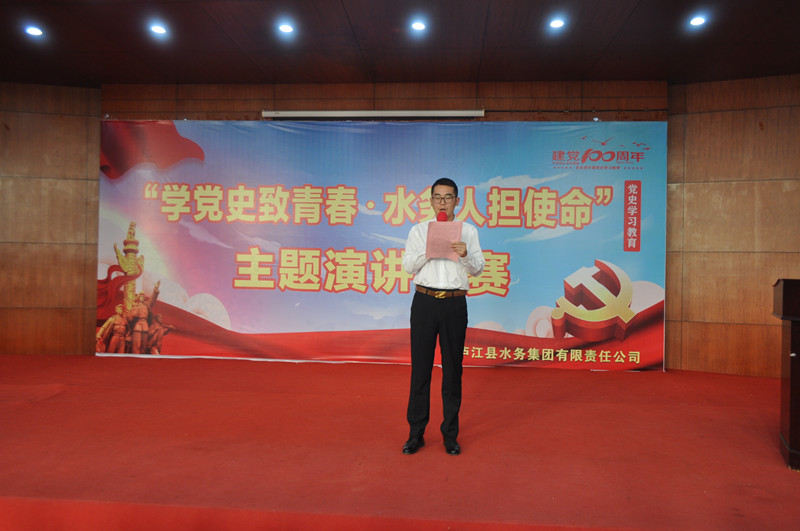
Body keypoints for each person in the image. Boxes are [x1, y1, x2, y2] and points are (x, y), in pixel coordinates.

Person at [401, 177, 485, 456]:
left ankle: (450, 435)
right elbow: (408, 266)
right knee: (420, 369)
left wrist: (465, 254)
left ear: (457, 201)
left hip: (454, 304)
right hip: (424, 302)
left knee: (452, 370)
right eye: (437, 197)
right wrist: (428, 249)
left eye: (448, 197)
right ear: (431, 201)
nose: (442, 203)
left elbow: (477, 268)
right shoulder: (418, 230)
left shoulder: (468, 231)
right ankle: (415, 434)